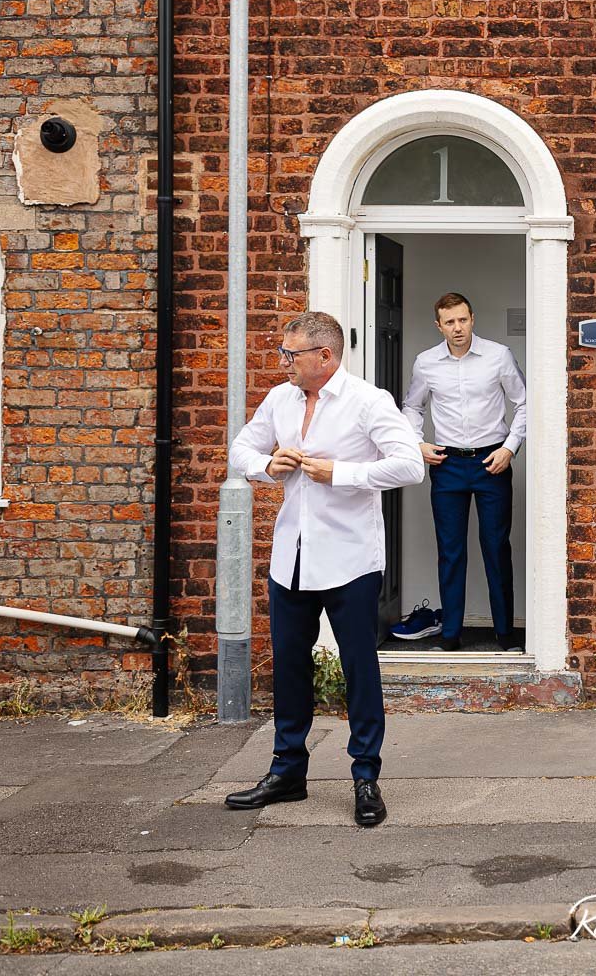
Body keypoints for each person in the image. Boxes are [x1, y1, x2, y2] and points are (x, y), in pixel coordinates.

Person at [224, 311, 424, 827]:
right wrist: (267, 466)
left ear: (324, 356)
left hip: (351, 559)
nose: (284, 362)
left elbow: (409, 464)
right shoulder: (279, 399)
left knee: (360, 668)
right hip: (290, 557)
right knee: (289, 666)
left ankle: (365, 778)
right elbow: (241, 447)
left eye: (291, 354)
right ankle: (287, 771)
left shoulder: (367, 402)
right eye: (284, 353)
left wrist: (344, 473)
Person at [395, 292, 526, 652]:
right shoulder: (426, 363)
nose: (457, 328)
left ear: (472, 319)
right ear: (439, 325)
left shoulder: (498, 356)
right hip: (448, 464)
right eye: (450, 322)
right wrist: (416, 443)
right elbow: (412, 406)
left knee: (496, 548)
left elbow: (524, 402)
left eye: (463, 320)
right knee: (450, 551)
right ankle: (450, 635)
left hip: (491, 462)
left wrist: (510, 447)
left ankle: (504, 636)